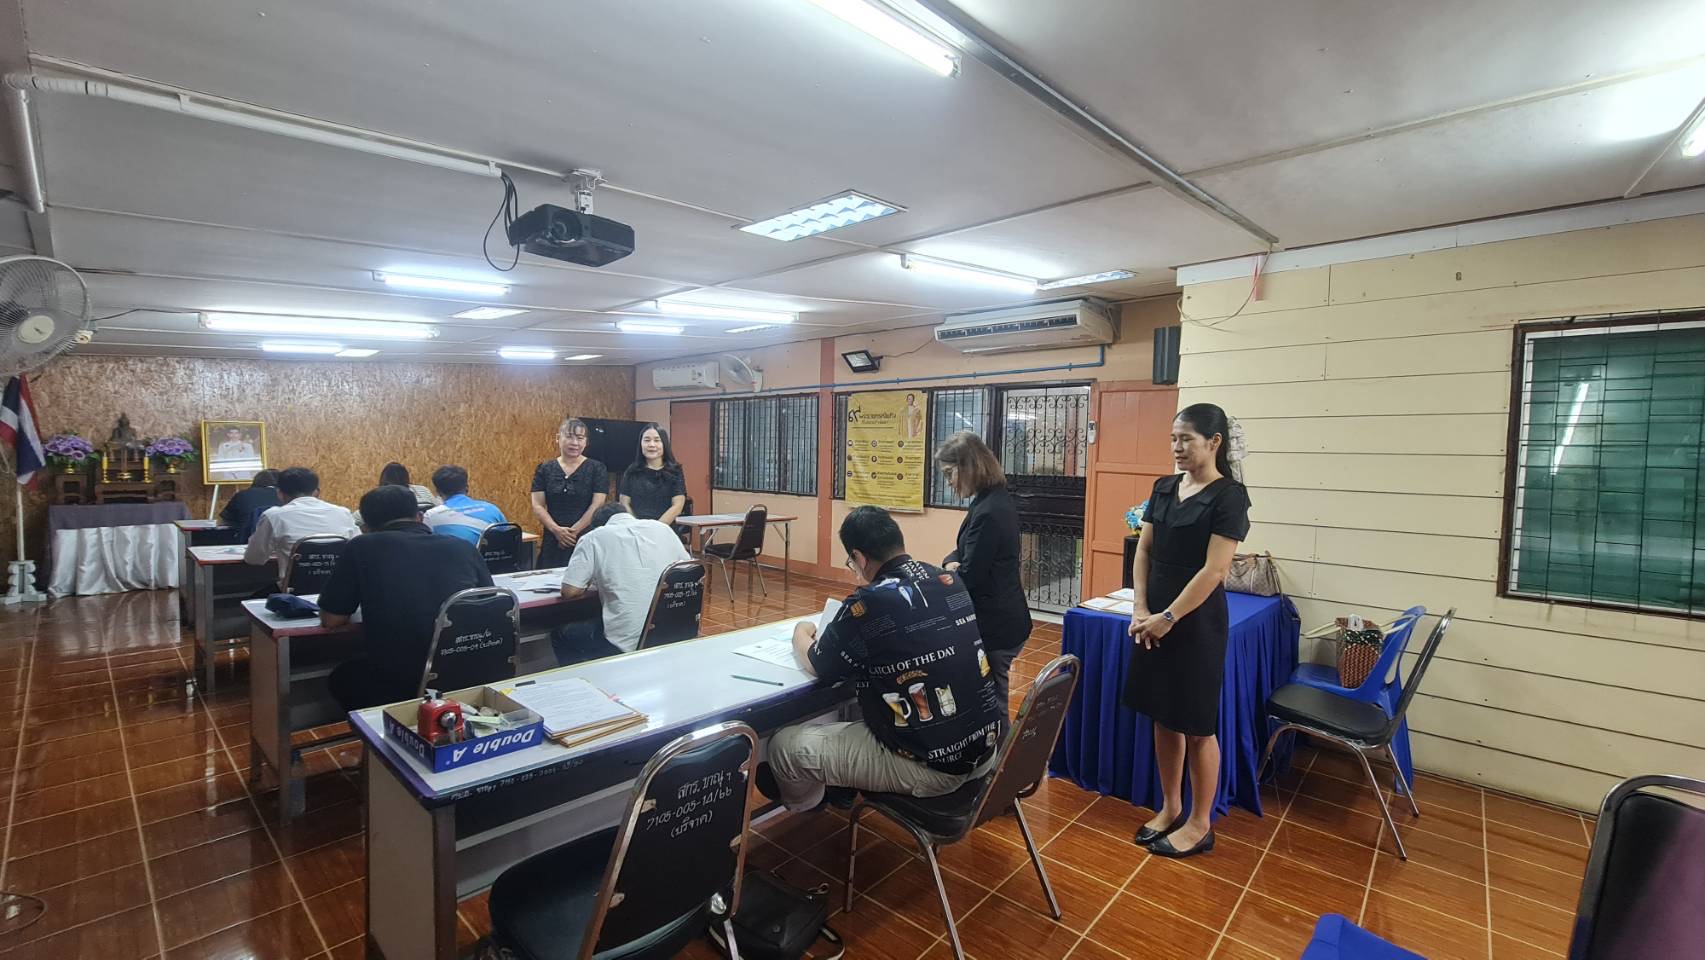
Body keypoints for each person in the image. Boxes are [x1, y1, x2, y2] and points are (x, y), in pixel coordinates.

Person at [763, 506, 1003, 812]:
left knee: (783, 747)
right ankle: (840, 787)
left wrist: (801, 631)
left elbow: (819, 664)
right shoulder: (948, 579)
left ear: (859, 558)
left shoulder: (868, 602)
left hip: (932, 768)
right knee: (859, 707)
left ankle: (809, 806)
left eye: (851, 562)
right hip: (985, 752)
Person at [1124, 403, 1250, 860]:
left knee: (1197, 725)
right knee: (1163, 716)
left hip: (1195, 624)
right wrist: (1141, 607)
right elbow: (1144, 551)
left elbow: (1214, 571)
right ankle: (1171, 806)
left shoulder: (1229, 496)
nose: (1177, 447)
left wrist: (1168, 617)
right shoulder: (1164, 488)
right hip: (1153, 618)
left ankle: (1200, 823)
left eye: (1187, 439)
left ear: (1214, 442)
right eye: (1173, 439)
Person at [319, 485, 494, 712]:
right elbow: (490, 604)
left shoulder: (361, 547)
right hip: (471, 669)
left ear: (366, 527)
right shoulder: (462, 546)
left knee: (342, 677)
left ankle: (377, 731)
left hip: (401, 678)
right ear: (420, 517)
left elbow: (332, 619)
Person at [937, 431, 1031, 709]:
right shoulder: (989, 500)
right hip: (1004, 617)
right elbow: (963, 551)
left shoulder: (989, 510)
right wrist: (951, 562)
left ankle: (1000, 740)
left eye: (950, 473)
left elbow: (970, 576)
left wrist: (953, 569)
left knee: (992, 702)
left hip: (997, 625)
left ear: (969, 466)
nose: (948, 482)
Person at [554, 503, 690, 664]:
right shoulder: (662, 528)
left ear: (599, 525)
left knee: (560, 634)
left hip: (628, 642)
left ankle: (584, 678)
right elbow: (689, 570)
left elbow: (569, 592)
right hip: (677, 631)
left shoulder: (594, 537)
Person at [530, 418, 609, 568]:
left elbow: (597, 505)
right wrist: (557, 531)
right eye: (569, 436)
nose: (575, 443)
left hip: (585, 538)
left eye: (580, 438)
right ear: (558, 438)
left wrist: (572, 533)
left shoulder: (597, 468)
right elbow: (538, 505)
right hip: (552, 538)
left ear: (586, 442)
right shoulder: (545, 468)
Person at [243, 467, 361, 566]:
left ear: (279, 494)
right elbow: (358, 549)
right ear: (317, 492)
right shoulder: (343, 513)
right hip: (340, 585)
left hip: (294, 587)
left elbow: (254, 559)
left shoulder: (274, 516)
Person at [617, 423, 687, 524]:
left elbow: (677, 506)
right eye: (647, 440)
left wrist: (654, 529)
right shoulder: (632, 471)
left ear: (664, 444)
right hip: (635, 528)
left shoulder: (675, 471)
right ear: (640, 444)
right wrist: (637, 526)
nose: (651, 444)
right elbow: (624, 503)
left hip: (664, 528)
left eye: (657, 440)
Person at [423, 465, 507, 546]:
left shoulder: (431, 516)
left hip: (459, 555)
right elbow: (508, 536)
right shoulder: (492, 508)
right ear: (467, 487)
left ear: (438, 492)